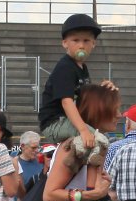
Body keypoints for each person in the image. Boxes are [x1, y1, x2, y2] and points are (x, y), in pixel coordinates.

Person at [36, 13, 119, 177]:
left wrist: (103, 88)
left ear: (93, 44)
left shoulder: (82, 68)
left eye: (86, 41)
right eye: (76, 40)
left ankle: (75, 164)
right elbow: (67, 102)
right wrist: (83, 130)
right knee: (99, 140)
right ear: (64, 43)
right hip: (55, 122)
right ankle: (92, 183)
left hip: (66, 121)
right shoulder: (65, 67)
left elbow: (85, 97)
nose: (81, 45)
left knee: (94, 138)